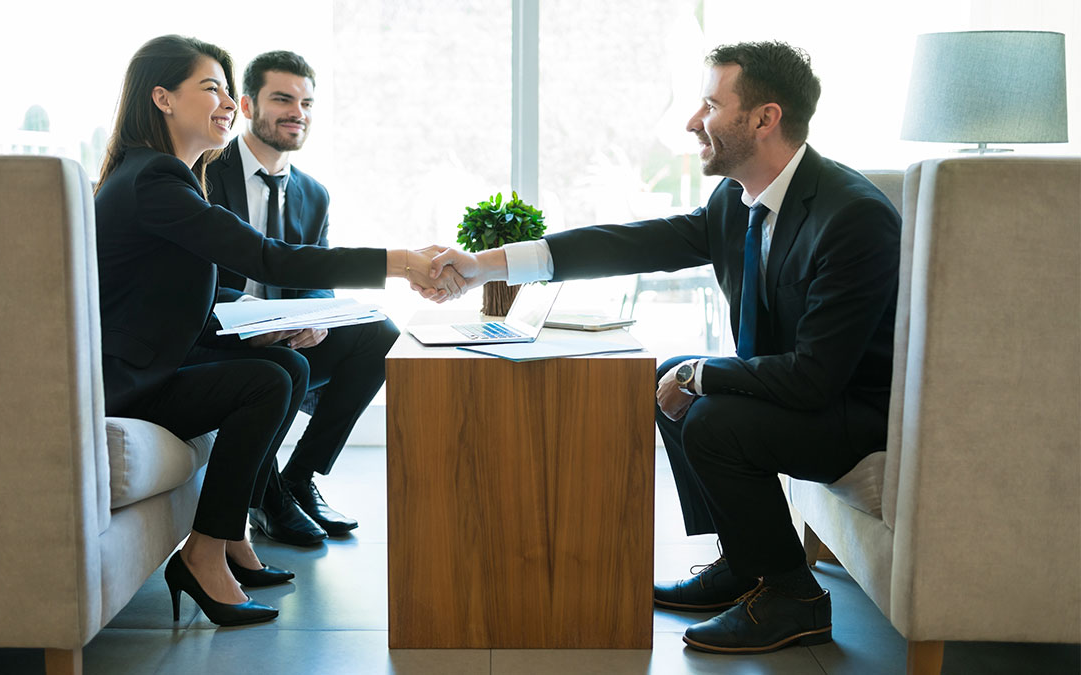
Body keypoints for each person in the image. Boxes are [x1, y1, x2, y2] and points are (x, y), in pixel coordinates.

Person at [424, 41, 900, 654]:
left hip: (854, 415)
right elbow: (630, 244)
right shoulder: (738, 199)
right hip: (803, 393)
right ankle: (745, 563)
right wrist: (487, 266)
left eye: (709, 104)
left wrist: (703, 377)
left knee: (709, 415)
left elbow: (815, 378)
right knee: (670, 377)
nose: (691, 122)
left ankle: (795, 597)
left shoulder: (852, 216)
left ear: (764, 118)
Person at [94, 34, 461, 627]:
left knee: (285, 367)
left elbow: (175, 296)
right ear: (162, 98)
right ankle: (205, 554)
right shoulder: (156, 179)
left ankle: (228, 536)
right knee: (268, 381)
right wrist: (401, 261)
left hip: (152, 363)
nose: (225, 104)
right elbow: (271, 259)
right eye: (210, 87)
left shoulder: (160, 175)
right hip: (132, 382)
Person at [202, 50, 396, 547]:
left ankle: (298, 477)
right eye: (283, 99)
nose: (298, 112)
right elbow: (189, 277)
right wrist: (254, 317)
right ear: (246, 105)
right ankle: (267, 498)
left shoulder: (314, 193)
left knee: (381, 336)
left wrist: (315, 316)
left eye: (307, 102)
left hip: (286, 332)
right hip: (220, 330)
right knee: (284, 357)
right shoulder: (205, 172)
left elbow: (315, 274)